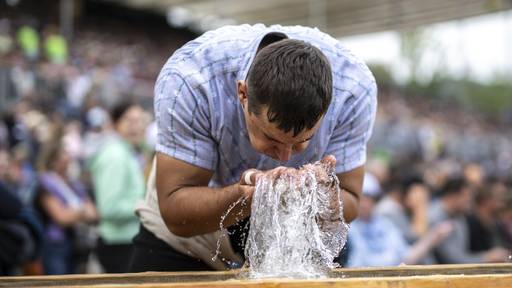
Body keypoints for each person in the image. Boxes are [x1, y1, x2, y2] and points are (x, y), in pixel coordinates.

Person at [130, 24, 377, 272]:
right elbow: (175, 211)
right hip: (194, 231)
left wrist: (326, 198)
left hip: (293, 232)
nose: (285, 157)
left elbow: (352, 199)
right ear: (242, 94)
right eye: (272, 139)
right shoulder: (190, 79)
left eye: (304, 140)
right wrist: (248, 196)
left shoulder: (353, 91)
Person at [87, 101, 146, 273]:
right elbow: (109, 208)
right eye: (129, 120)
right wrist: (146, 207)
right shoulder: (115, 155)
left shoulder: (126, 152)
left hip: (125, 242)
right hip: (119, 245)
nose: (136, 126)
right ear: (115, 124)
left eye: (140, 120)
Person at [347, 173, 451, 267]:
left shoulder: (384, 224)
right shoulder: (346, 227)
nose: (365, 204)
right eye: (361, 198)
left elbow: (406, 257)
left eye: (369, 198)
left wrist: (433, 237)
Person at [37, 140, 97, 274]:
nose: (67, 158)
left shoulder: (73, 184)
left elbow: (94, 213)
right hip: (55, 245)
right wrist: (81, 212)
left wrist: (75, 213)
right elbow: (61, 217)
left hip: (76, 244)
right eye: (62, 155)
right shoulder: (46, 182)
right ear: (53, 160)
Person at [429, 177, 510, 264]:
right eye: (467, 196)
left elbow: (462, 254)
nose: (470, 201)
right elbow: (452, 260)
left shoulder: (459, 216)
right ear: (453, 195)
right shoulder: (434, 217)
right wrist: (487, 257)